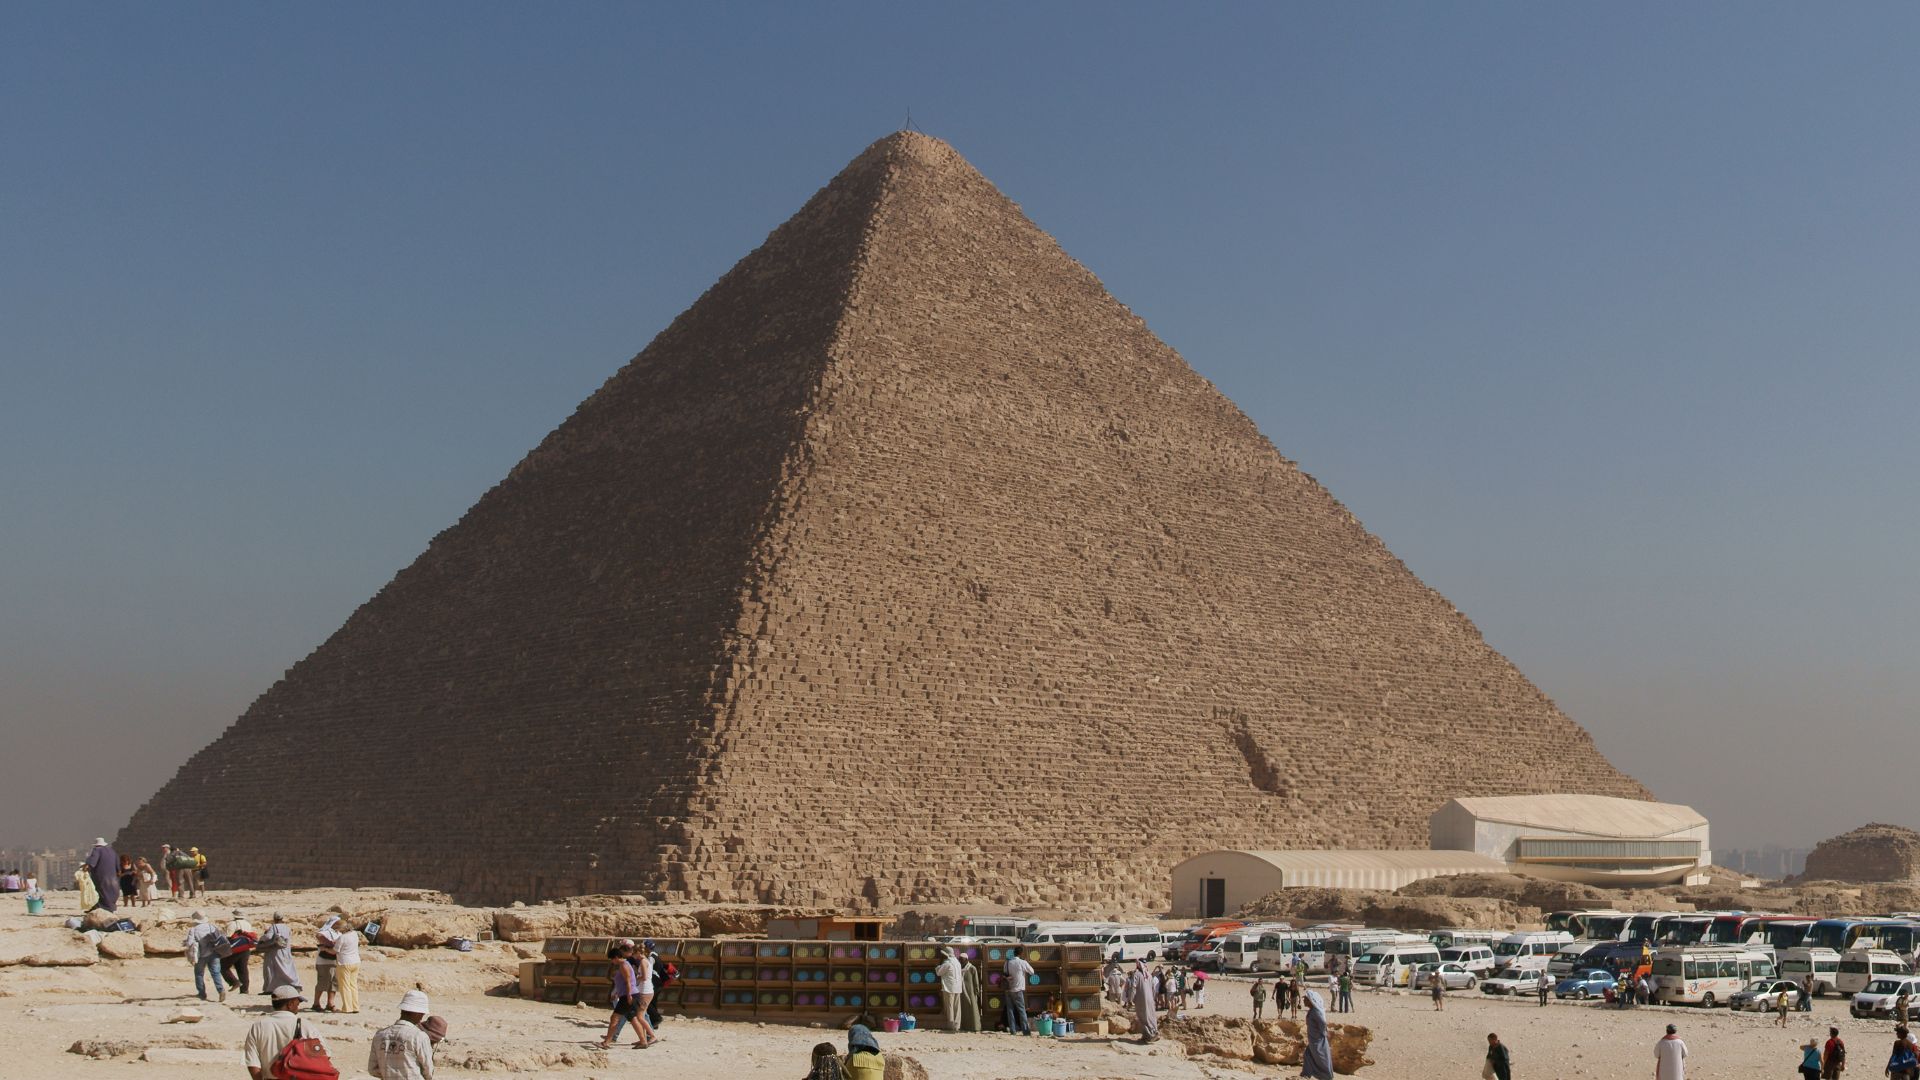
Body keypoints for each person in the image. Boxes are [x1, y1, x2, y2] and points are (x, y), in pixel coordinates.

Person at [245, 986, 326, 1079]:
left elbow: (252, 1061)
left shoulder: (258, 1026)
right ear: (290, 1004)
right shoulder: (304, 1025)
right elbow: (324, 1054)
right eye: (297, 1002)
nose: (298, 1005)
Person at [367, 989, 436, 1079]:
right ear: (418, 1013)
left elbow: (372, 1069)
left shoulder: (380, 1035)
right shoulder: (419, 1037)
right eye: (422, 1014)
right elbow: (428, 1071)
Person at [598, 943, 645, 1049]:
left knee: (614, 1017)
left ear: (615, 957)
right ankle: (643, 1041)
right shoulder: (624, 964)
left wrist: (628, 996)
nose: (612, 961)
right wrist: (617, 993)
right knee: (632, 1018)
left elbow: (628, 981)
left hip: (629, 995)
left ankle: (607, 1042)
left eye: (612, 959)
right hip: (630, 994)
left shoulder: (624, 965)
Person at [183, 910, 228, 1003]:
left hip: (201, 954)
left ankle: (202, 993)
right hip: (214, 953)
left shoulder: (193, 929)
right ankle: (221, 990)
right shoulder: (211, 927)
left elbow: (190, 943)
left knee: (199, 973)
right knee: (216, 973)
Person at [256, 912, 300, 997]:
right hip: (285, 951)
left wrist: (262, 938)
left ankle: (269, 988)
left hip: (275, 952)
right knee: (287, 969)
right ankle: (294, 985)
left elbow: (268, 937)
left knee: (270, 970)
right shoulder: (287, 928)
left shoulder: (274, 927)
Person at [630, 939, 659, 1044]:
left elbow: (645, 977)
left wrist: (635, 979)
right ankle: (643, 1038)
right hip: (645, 990)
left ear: (638, 952)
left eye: (634, 953)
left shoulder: (643, 961)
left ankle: (652, 1036)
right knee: (641, 1015)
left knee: (640, 1016)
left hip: (645, 991)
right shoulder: (646, 960)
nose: (633, 955)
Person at [1300, 990, 1333, 1079]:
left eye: (1305, 999)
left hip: (1318, 1041)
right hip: (1313, 1039)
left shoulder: (1315, 1012)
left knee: (1321, 1059)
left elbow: (1322, 1023)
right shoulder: (1312, 1011)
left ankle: (1326, 1076)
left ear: (1310, 1000)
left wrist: (1324, 1033)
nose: (1304, 1001)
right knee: (1308, 1055)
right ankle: (1306, 1074)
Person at [332, 919, 363, 1014]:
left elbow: (335, 951)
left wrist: (325, 949)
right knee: (353, 985)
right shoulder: (354, 934)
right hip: (356, 961)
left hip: (344, 962)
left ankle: (347, 1008)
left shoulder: (342, 938)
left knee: (345, 986)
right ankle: (355, 1007)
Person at [223, 911, 257, 995]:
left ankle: (234, 982)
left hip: (235, 949)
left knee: (223, 967)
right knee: (242, 969)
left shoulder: (232, 924)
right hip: (245, 948)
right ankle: (244, 990)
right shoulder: (247, 924)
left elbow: (228, 937)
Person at [83, 838, 120, 912]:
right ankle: (106, 906)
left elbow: (93, 861)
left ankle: (105, 907)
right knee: (112, 890)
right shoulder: (112, 851)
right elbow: (117, 863)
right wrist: (118, 871)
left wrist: (87, 866)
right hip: (112, 875)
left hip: (101, 874)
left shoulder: (97, 850)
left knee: (103, 891)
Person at [1004, 950, 1034, 1035]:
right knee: (1022, 1011)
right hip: (1018, 990)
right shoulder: (1022, 962)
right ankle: (1025, 1031)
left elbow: (1005, 973)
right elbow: (1032, 972)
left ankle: (1013, 1030)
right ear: (1021, 953)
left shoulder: (1007, 962)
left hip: (1008, 989)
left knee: (1010, 1010)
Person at [1129, 960, 1158, 1043]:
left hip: (1141, 999)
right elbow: (1153, 989)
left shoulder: (1137, 974)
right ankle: (1149, 1034)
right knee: (1150, 1016)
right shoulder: (1149, 974)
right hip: (1150, 999)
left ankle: (1150, 1035)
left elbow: (1133, 987)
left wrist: (1131, 999)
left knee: (1143, 1017)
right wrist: (1153, 998)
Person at [314, 916, 340, 1012]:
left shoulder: (339, 933)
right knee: (322, 982)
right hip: (324, 962)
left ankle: (330, 1003)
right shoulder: (324, 932)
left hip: (335, 961)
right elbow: (319, 936)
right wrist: (331, 944)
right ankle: (316, 1003)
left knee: (333, 983)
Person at [936, 947, 964, 1031]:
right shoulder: (957, 963)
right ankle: (957, 1026)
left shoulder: (947, 963)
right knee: (957, 1008)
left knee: (950, 1007)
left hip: (949, 988)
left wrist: (937, 966)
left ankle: (951, 1026)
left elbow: (939, 973)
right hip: (958, 987)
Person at [961, 954, 983, 1032]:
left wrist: (977, 991)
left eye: (962, 959)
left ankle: (975, 1027)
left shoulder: (972, 968)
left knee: (973, 1009)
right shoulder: (960, 968)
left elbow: (976, 981)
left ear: (966, 959)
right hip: (962, 993)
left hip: (971, 992)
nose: (960, 961)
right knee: (964, 1010)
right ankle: (965, 1026)